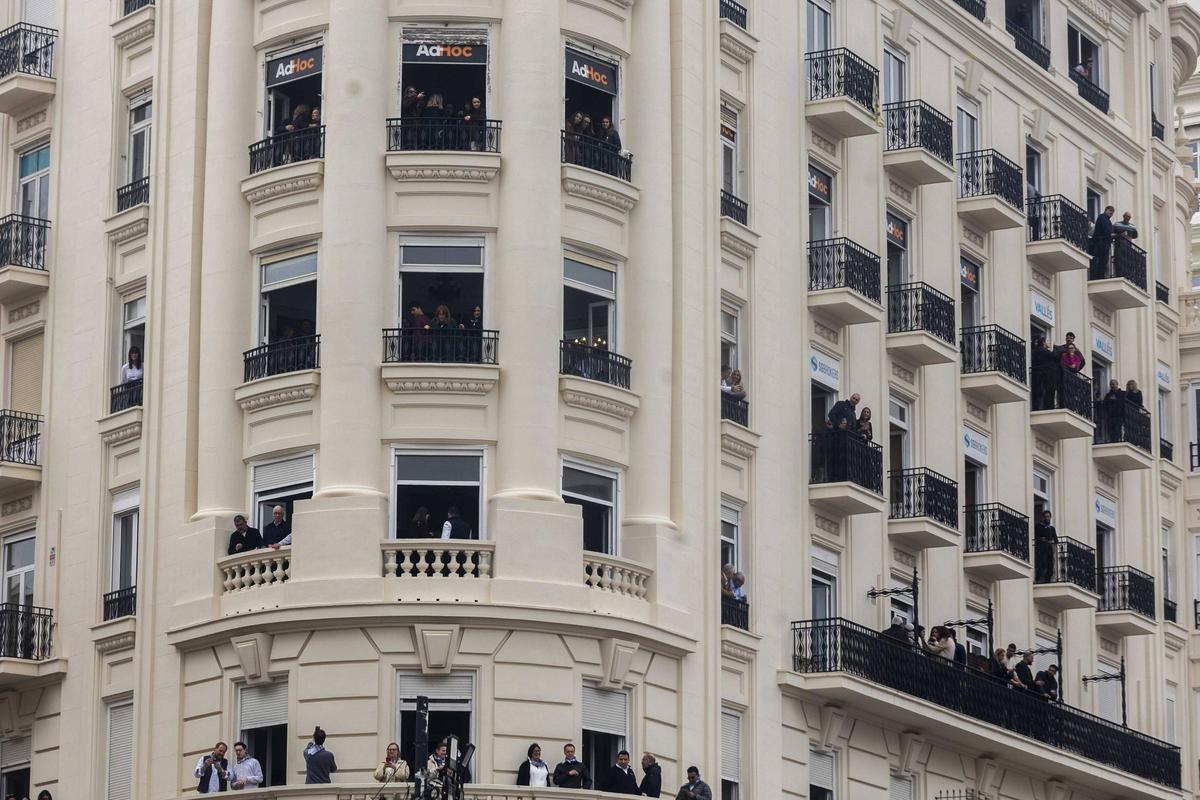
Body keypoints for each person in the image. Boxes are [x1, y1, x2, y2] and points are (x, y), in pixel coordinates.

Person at [1031, 337, 1060, 411]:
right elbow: (1055, 356)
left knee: (1039, 391)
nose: (1048, 343)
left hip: (1037, 373)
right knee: (1046, 391)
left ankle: (1038, 407)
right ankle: (1046, 407)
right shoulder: (1044, 350)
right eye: (1047, 341)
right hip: (1045, 374)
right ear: (1043, 342)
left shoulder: (1035, 351)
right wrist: (1055, 347)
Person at [1090, 205, 1116, 277]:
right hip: (1100, 242)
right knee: (1100, 260)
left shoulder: (1108, 221)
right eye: (1110, 210)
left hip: (1105, 242)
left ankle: (1101, 275)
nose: (1111, 213)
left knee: (1104, 261)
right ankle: (1098, 276)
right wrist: (1110, 234)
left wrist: (1111, 235)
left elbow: (1110, 230)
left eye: (1112, 212)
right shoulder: (1102, 217)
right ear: (1106, 210)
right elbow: (1105, 230)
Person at [1034, 510, 1057, 582]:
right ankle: (1038, 579)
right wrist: (1041, 539)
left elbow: (1056, 540)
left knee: (1050, 566)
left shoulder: (1052, 528)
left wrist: (1051, 541)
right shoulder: (1038, 526)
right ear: (1043, 517)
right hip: (1041, 549)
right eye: (1046, 516)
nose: (1047, 518)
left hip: (1049, 549)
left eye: (1049, 517)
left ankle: (1047, 580)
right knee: (1042, 564)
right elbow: (1036, 536)